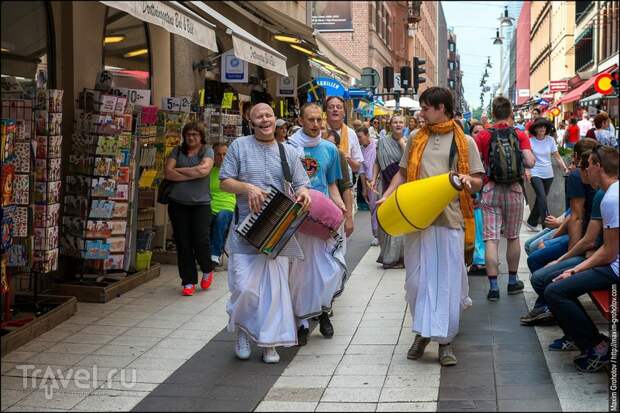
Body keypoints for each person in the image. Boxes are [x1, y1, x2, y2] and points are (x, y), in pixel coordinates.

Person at [377, 87, 485, 366]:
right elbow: (402, 173)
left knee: (446, 282)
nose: (420, 113)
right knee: (417, 282)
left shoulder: (465, 142)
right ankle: (422, 333)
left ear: (442, 108)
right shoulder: (415, 138)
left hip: (450, 220)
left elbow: (477, 181)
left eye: (425, 108)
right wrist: (388, 196)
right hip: (417, 220)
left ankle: (445, 342)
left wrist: (464, 180)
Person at [219, 103, 311, 363]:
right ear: (251, 121)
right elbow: (224, 181)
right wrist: (247, 187)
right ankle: (243, 332)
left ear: (276, 120)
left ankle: (270, 341)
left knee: (274, 293)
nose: (265, 120)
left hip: (276, 233)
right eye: (259, 116)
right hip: (244, 233)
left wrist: (303, 192)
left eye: (268, 115)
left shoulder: (288, 152)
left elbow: (302, 182)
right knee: (244, 289)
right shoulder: (239, 146)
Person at [543, 145, 618, 372]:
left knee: (554, 290)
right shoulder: (612, 194)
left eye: (588, 165)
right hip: (611, 263)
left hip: (614, 268)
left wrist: (575, 270)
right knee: (556, 285)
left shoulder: (611, 199)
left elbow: (609, 252)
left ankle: (598, 347)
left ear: (598, 166)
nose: (585, 171)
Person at [521, 150, 608, 327]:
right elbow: (575, 217)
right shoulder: (601, 193)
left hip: (599, 257)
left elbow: (596, 242)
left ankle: (551, 311)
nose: (569, 167)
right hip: (591, 249)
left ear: (595, 167)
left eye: (578, 164)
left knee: (546, 279)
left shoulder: (603, 194)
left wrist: (571, 263)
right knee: (537, 253)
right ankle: (549, 309)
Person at [288, 103, 347, 346]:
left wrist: (343, 210)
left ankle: (324, 311)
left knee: (326, 269)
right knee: (300, 273)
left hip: (323, 218)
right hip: (299, 218)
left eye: (318, 120)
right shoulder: (289, 148)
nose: (315, 125)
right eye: (310, 120)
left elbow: (332, 184)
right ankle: (302, 322)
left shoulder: (330, 149)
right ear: (301, 120)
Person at [475, 96, 536, 301]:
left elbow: (475, 164)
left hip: (490, 189)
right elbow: (530, 161)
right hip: (514, 190)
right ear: (510, 113)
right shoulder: (519, 134)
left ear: (492, 114)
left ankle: (493, 287)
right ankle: (512, 281)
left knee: (491, 238)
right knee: (512, 236)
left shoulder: (483, 135)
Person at [526, 138, 599, 274]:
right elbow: (574, 214)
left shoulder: (577, 177)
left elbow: (577, 218)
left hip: (581, 236)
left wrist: (569, 256)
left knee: (534, 251)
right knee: (533, 246)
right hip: (576, 230)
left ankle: (547, 283)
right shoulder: (593, 184)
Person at [164, 122, 216, 296]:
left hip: (201, 204)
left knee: (200, 240)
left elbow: (204, 171)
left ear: (201, 136)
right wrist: (193, 171)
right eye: (188, 134)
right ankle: (188, 281)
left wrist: (181, 170)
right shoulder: (176, 151)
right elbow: (168, 173)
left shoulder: (207, 151)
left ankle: (207, 269)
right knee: (183, 242)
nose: (191, 137)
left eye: (195, 134)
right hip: (177, 203)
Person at [370, 115, 407, 269]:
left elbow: (410, 162)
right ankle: (388, 255)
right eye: (395, 122)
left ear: (404, 125)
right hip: (386, 183)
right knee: (385, 217)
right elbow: (378, 161)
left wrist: (402, 144)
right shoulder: (383, 141)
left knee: (400, 220)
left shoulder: (409, 141)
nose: (398, 125)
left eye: (401, 122)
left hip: (403, 186)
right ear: (390, 125)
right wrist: (373, 178)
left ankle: (400, 257)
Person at [324, 95, 364, 237]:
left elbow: (357, 166)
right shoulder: (319, 131)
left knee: (342, 232)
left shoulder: (351, 134)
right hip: (322, 186)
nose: (335, 109)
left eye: (338, 107)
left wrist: (347, 158)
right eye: (331, 107)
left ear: (344, 112)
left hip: (345, 187)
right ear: (326, 111)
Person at [525, 117, 570, 232]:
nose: (542, 128)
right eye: (540, 126)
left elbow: (557, 156)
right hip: (535, 172)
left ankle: (531, 221)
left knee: (541, 198)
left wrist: (564, 168)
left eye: (544, 127)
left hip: (548, 174)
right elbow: (526, 158)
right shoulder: (530, 141)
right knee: (542, 197)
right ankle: (547, 226)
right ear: (535, 129)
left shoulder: (550, 140)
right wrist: (527, 171)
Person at [209, 143, 236, 266]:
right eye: (218, 154)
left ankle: (215, 253)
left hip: (228, 208)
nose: (222, 157)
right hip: (210, 207)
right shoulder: (208, 172)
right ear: (213, 156)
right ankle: (204, 253)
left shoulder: (234, 172)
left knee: (221, 218)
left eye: (225, 154)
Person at [356, 126, 379, 246]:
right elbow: (361, 171)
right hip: (369, 183)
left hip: (380, 180)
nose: (359, 140)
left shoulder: (377, 145)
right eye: (357, 138)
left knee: (381, 208)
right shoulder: (360, 150)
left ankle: (384, 233)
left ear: (367, 135)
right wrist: (364, 189)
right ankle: (376, 234)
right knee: (373, 209)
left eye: (360, 137)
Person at [470, 121, 487, 274]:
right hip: (472, 196)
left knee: (483, 230)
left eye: (482, 132)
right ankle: (477, 259)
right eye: (476, 132)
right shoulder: (467, 151)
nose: (479, 135)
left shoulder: (489, 152)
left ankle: (482, 259)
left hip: (487, 196)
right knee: (475, 229)